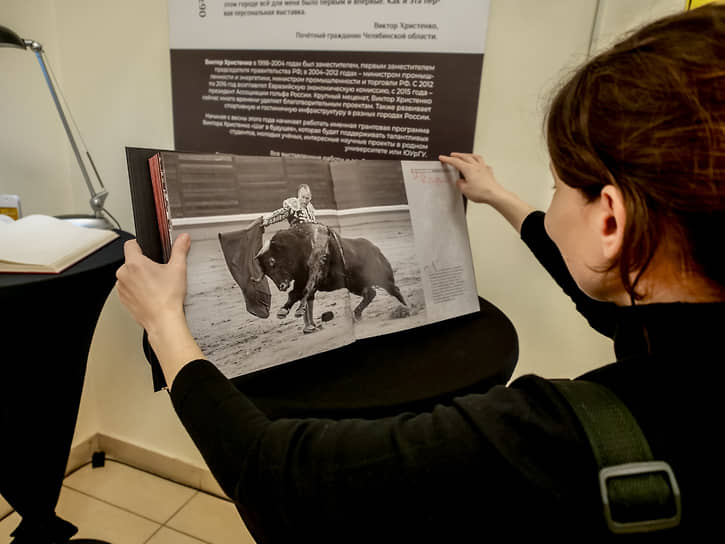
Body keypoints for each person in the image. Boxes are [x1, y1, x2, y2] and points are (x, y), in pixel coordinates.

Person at [115, 5, 724, 541]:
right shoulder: (672, 324)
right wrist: (501, 197)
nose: (553, 197)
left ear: (610, 220)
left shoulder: (553, 436)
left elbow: (282, 480)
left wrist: (165, 322)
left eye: (560, 183)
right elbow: (595, 290)